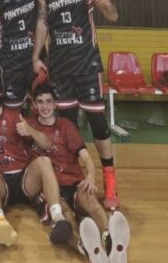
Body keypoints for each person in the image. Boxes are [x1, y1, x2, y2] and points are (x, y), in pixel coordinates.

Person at [33, 0, 120, 210]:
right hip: (60, 67)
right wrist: (36, 56)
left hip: (86, 64)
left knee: (98, 124)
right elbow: (43, 23)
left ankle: (110, 180)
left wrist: (106, 2)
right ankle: (72, 179)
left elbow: (112, 16)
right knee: (67, 127)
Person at [26, 84, 131, 263]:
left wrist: (90, 176)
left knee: (90, 199)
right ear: (34, 105)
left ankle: (109, 239)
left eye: (49, 102)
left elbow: (86, 157)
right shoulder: (29, 126)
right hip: (51, 188)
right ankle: (86, 249)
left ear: (56, 104)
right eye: (40, 102)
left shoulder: (66, 126)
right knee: (64, 214)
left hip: (74, 182)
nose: (45, 106)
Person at [0, 74, 75, 247]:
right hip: (0, 180)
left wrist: (30, 131)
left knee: (44, 161)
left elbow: (47, 144)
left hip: (24, 178)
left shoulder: (14, 116)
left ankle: (57, 217)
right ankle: (0, 221)